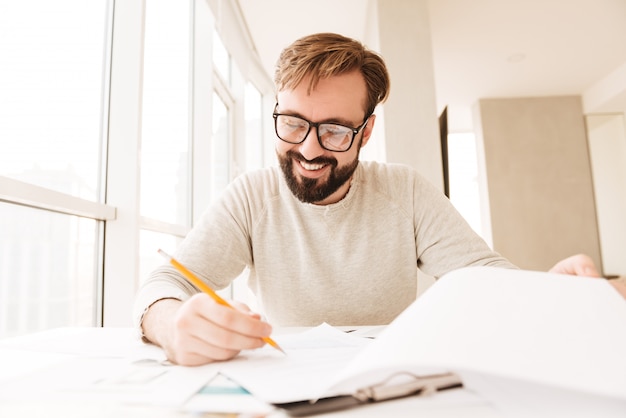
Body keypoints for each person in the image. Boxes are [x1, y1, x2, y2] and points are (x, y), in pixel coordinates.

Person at [133, 33, 615, 367]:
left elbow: (483, 277)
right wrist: (172, 324)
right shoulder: (251, 196)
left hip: (392, 384)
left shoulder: (403, 190)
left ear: (366, 132)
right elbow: (167, 279)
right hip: (289, 386)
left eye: (336, 130)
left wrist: (549, 293)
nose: (309, 148)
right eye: (294, 122)